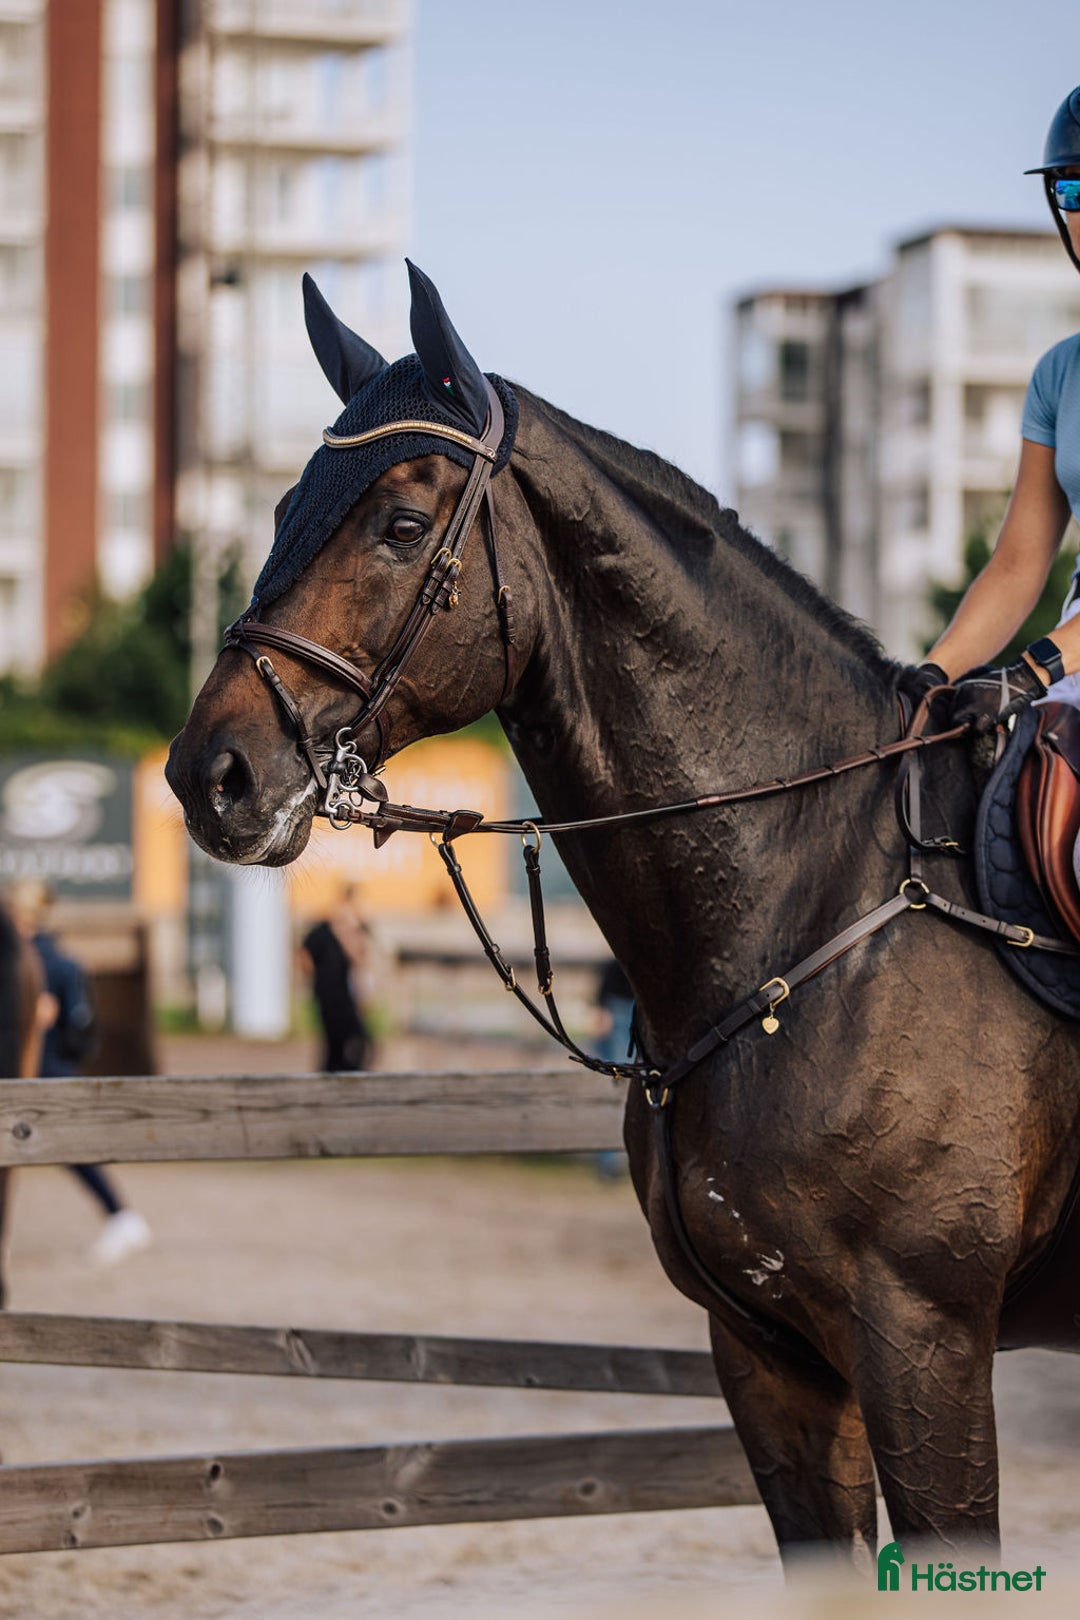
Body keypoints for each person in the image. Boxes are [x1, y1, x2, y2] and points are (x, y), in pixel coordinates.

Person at [905, 87, 1080, 721]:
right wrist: (930, 675)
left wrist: (1035, 668)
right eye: (1073, 188)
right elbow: (1016, 565)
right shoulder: (1060, 373)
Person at [6, 881, 153, 1267]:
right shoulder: (57, 960)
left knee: (71, 1150)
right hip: (49, 1069)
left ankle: (121, 1217)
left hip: (41, 1072)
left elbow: (76, 1024)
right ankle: (121, 1217)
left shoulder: (43, 963)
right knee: (68, 1152)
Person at [300, 885, 374, 1072]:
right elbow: (303, 954)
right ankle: (334, 1073)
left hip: (344, 994)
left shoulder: (352, 932)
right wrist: (311, 976)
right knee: (334, 1038)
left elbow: (361, 958)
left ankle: (346, 1070)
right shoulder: (322, 931)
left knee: (357, 1036)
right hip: (327, 994)